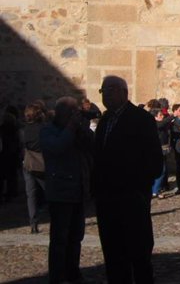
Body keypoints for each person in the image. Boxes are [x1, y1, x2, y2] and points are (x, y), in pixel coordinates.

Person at [93, 75, 162, 284]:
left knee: (138, 255)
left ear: (124, 92)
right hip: (107, 199)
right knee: (113, 257)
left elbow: (154, 161)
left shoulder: (140, 119)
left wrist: (138, 188)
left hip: (131, 197)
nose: (106, 94)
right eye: (103, 90)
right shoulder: (105, 120)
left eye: (111, 89)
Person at [40, 96, 94, 284]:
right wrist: (71, 127)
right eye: (72, 112)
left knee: (76, 236)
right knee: (59, 239)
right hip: (60, 191)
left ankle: (73, 272)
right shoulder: (48, 131)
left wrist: (80, 127)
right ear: (63, 112)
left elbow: (91, 145)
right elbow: (57, 148)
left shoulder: (77, 130)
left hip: (78, 190)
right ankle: (57, 276)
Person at [20, 103, 48, 233]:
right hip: (41, 164)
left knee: (31, 194)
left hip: (28, 163)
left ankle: (33, 224)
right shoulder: (43, 129)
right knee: (48, 191)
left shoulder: (24, 130)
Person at [151, 108, 173, 199]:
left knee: (161, 170)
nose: (162, 116)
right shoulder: (155, 124)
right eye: (160, 115)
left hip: (163, 150)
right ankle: (155, 190)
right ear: (155, 117)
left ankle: (156, 190)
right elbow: (162, 123)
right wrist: (172, 116)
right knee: (161, 170)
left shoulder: (162, 125)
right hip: (156, 150)